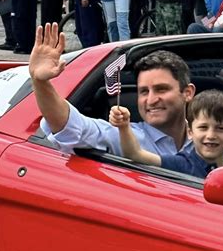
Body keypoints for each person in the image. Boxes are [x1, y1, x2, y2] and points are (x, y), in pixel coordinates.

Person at [30, 23, 197, 157]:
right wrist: (40, 83)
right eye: (144, 92)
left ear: (187, 92)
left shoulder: (213, 138)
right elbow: (71, 126)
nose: (151, 100)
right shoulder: (125, 136)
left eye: (161, 89)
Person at [109, 89, 223, 178]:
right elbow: (135, 154)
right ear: (190, 132)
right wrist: (124, 126)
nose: (211, 135)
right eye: (203, 127)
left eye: (220, 128)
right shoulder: (181, 164)